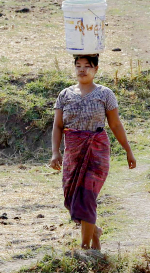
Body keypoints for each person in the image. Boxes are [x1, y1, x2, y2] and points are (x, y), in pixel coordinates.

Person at [49, 54, 136, 250]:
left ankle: (85, 247)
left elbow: (115, 124)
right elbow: (57, 126)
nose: (82, 70)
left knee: (87, 197)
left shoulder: (105, 94)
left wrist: (128, 151)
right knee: (72, 199)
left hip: (97, 151)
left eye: (87, 66)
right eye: (78, 65)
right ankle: (94, 231)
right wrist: (55, 152)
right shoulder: (64, 95)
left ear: (96, 69)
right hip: (73, 152)